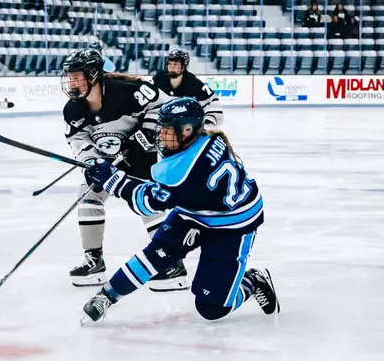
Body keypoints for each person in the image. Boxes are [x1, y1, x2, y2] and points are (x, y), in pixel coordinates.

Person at [80, 97, 279, 323]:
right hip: (195, 209)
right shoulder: (199, 139)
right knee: (157, 253)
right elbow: (166, 181)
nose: (161, 135)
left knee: (211, 309)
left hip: (232, 225)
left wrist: (112, 180)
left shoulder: (188, 170)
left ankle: (254, 281)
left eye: (166, 130)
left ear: (186, 130)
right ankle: (107, 296)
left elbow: (146, 202)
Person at [61, 49, 190, 292]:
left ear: (93, 76)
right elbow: (78, 139)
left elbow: (165, 106)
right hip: (108, 160)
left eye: (77, 77)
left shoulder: (127, 91)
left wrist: (146, 133)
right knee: (88, 196)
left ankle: (172, 263)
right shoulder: (73, 109)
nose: (72, 83)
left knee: (148, 202)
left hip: (140, 154)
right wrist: (92, 162)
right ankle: (94, 262)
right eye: (70, 77)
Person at [150, 49, 223, 128]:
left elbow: (212, 101)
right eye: (170, 64)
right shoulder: (158, 80)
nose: (172, 68)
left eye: (176, 64)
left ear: (183, 67)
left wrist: (207, 122)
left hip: (183, 127)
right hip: (159, 125)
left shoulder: (195, 84)